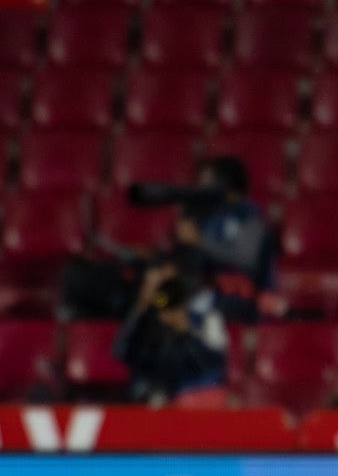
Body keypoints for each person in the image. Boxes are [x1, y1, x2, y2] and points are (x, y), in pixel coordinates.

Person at [110, 250, 227, 406]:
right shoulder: (144, 319)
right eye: (151, 285)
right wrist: (140, 308)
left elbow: (213, 366)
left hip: (199, 397)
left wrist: (183, 329)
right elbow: (121, 352)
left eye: (163, 283)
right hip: (153, 398)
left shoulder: (204, 314)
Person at [174, 156, 273, 324]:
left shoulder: (248, 214)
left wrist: (199, 240)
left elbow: (245, 257)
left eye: (206, 181)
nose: (200, 187)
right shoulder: (201, 213)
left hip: (241, 295)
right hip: (205, 291)